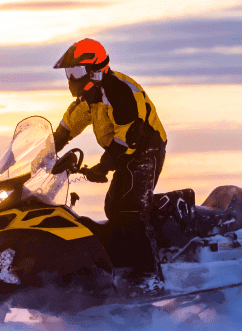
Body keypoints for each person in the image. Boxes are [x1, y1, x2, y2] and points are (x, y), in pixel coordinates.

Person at [52, 38, 167, 298]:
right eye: (69, 74)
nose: (71, 79)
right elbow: (69, 126)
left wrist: (103, 167)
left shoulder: (118, 91)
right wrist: (43, 152)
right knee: (112, 207)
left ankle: (150, 277)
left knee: (129, 209)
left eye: (76, 72)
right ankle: (122, 267)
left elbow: (130, 137)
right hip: (125, 151)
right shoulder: (90, 98)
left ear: (95, 70)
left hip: (144, 148)